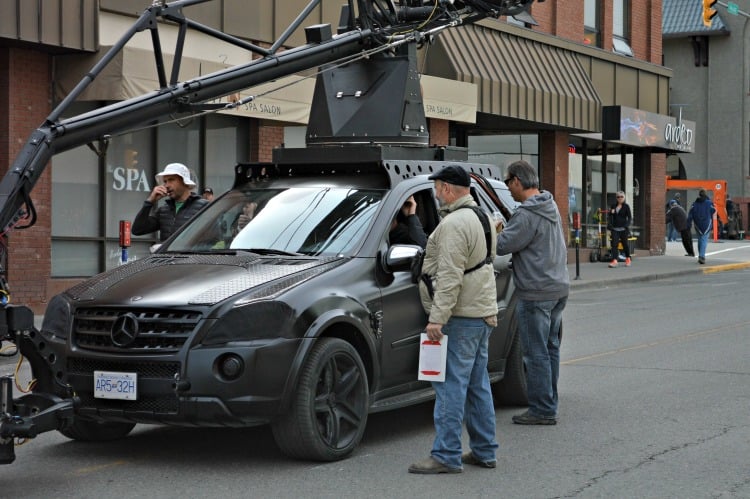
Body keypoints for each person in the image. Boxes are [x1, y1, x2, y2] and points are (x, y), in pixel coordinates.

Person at [408, 165, 499, 474]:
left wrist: (437, 318)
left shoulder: (454, 224)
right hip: (482, 311)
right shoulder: (482, 217)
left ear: (447, 188)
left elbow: (449, 277)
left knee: (449, 386)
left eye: (436, 188)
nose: (435, 194)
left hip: (460, 316)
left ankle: (446, 454)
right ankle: (485, 450)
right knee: (477, 384)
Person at [495, 160, 569, 426]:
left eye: (508, 183)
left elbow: (502, 246)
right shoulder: (549, 205)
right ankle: (550, 402)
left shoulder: (526, 214)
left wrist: (498, 227)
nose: (508, 189)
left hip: (536, 292)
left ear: (517, 180)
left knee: (535, 352)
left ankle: (542, 409)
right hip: (558, 287)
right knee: (550, 349)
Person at [132, 163, 208, 242]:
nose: (166, 185)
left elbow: (215, 237)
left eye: (171, 180)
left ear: (185, 182)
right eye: (165, 181)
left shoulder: (203, 207)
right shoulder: (163, 211)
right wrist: (150, 201)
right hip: (167, 255)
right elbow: (137, 230)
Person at [687, 189, 716, 264]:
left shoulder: (694, 204)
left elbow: (690, 214)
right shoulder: (709, 203)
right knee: (704, 240)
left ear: (699, 195)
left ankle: (701, 255)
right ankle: (702, 256)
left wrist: (689, 224)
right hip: (706, 223)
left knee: (700, 239)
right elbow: (713, 210)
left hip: (697, 223)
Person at [607, 190, 632, 268]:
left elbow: (630, 217)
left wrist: (626, 225)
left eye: (621, 197)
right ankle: (615, 260)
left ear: (624, 197)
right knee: (614, 245)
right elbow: (610, 215)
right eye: (618, 197)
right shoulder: (613, 206)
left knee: (625, 245)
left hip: (623, 229)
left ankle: (628, 258)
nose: (620, 198)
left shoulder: (626, 206)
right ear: (616, 198)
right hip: (615, 229)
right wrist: (611, 212)